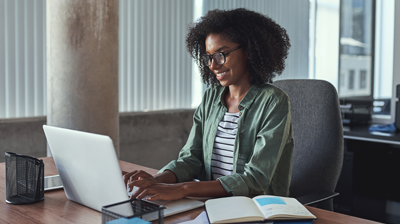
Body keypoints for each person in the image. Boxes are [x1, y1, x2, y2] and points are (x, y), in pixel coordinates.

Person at [123, 8, 294, 202]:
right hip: (210, 205)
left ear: (248, 51)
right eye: (208, 57)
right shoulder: (211, 98)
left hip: (256, 209)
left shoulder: (274, 101)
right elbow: (192, 159)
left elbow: (256, 179)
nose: (213, 65)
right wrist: (156, 180)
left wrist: (184, 188)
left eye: (221, 54)